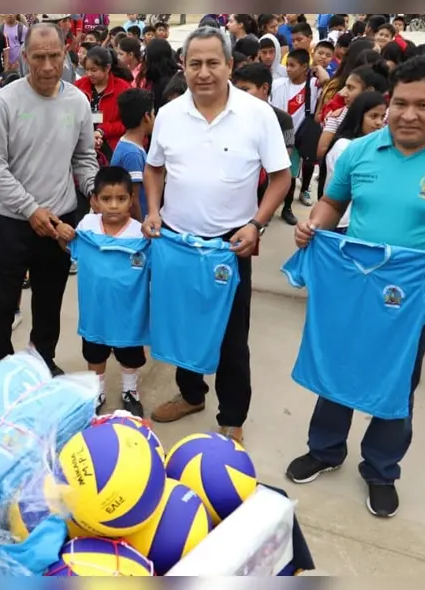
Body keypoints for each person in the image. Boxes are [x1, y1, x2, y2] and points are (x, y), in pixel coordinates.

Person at [286, 57, 425, 518]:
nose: (408, 115)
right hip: (353, 291)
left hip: (413, 302)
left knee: (396, 386)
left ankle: (381, 469)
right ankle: (326, 450)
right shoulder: (361, 151)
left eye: (423, 105)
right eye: (399, 103)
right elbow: (332, 201)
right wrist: (314, 225)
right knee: (337, 369)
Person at [142, 27, 291, 442]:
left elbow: (281, 178)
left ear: (229, 64)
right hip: (176, 239)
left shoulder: (256, 114)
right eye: (194, 64)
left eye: (212, 63)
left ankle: (232, 418)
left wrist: (257, 223)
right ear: (183, 67)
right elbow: (154, 168)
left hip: (231, 243)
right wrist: (153, 210)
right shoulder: (170, 114)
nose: (203, 72)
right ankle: (191, 394)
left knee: (230, 335)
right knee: (182, 324)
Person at [0, 24, 99, 374]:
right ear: (23, 57)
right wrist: (30, 208)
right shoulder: (5, 101)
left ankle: (42, 362)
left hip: (59, 221)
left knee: (49, 302)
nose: (47, 66)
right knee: (1, 304)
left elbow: (84, 157)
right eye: (38, 57)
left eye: (54, 56)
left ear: (66, 52)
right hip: (10, 221)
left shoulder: (77, 101)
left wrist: (94, 191)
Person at [67, 167, 149, 417]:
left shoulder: (141, 233)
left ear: (131, 199)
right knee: (94, 352)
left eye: (121, 199)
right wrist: (65, 235)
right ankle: (97, 391)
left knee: (130, 355)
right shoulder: (86, 227)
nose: (114, 206)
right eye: (106, 199)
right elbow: (72, 249)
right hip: (96, 312)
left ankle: (130, 391)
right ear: (94, 200)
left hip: (129, 313)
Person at [231, 63, 296, 207]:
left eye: (245, 89)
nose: (238, 95)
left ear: (265, 88)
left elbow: (286, 154)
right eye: (236, 90)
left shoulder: (284, 119)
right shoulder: (230, 116)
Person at [322, 91, 388, 232]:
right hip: (343, 222)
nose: (379, 122)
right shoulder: (345, 146)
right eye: (373, 116)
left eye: (382, 117)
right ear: (358, 116)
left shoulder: (377, 146)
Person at [271, 49, 324, 220]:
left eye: (293, 65)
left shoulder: (313, 85)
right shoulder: (278, 84)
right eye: (287, 65)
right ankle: (270, 206)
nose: (288, 69)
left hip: (299, 137)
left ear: (304, 67)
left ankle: (287, 208)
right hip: (278, 135)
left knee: (291, 174)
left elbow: (327, 81)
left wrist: (317, 67)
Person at [316, 61, 391, 159]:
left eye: (350, 88)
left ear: (369, 91)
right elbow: (322, 152)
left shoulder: (391, 120)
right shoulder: (338, 116)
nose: (343, 93)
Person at [75, 47, 133, 158]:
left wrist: (102, 130)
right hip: (82, 147)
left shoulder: (123, 88)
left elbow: (128, 122)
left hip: (112, 148)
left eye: (94, 70)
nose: (89, 74)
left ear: (107, 68)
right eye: (87, 69)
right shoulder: (79, 86)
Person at [110, 88, 153, 220]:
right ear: (146, 116)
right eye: (153, 113)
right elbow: (133, 201)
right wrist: (139, 227)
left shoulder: (128, 144)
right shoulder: (132, 154)